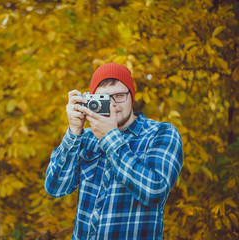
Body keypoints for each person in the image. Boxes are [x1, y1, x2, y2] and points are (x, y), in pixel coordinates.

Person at [44, 63, 183, 240]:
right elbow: (55, 187)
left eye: (119, 96)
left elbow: (154, 192)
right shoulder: (85, 137)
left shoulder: (161, 133)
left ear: (132, 96)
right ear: (91, 100)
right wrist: (74, 131)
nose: (112, 105)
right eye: (104, 98)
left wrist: (109, 138)